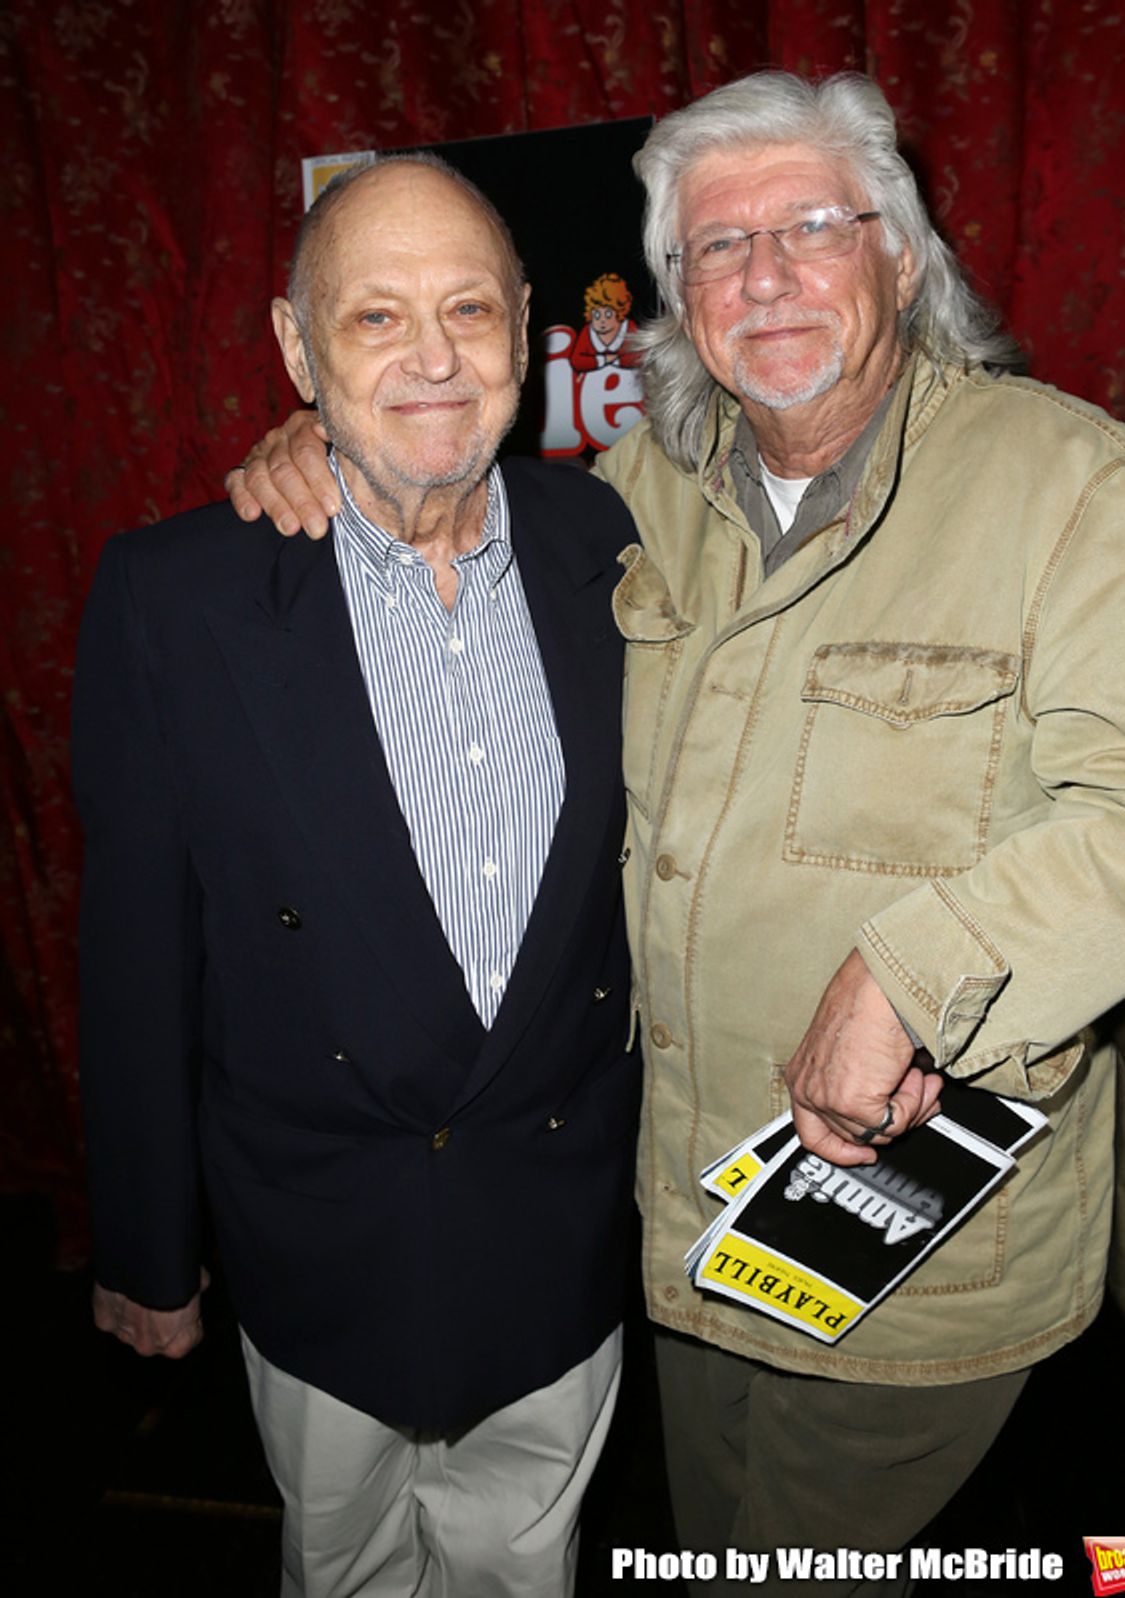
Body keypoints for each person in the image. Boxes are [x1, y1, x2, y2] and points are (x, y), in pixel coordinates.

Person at [228, 72, 1125, 1593]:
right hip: (682, 1229)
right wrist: (318, 459)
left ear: (904, 253)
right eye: (715, 250)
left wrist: (911, 972)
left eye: (813, 227)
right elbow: (445, 518)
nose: (766, 277)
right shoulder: (643, 492)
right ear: (672, 299)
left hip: (912, 1249)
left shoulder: (1076, 494)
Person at [73, 152, 642, 1598]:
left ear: (527, 324)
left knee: (529, 1565)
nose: (436, 357)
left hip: (557, 1230)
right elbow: (137, 949)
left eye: (467, 308)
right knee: (341, 1569)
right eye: (376, 319)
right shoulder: (175, 594)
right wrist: (147, 1246)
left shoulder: (622, 546)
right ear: (293, 345)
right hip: (315, 1248)